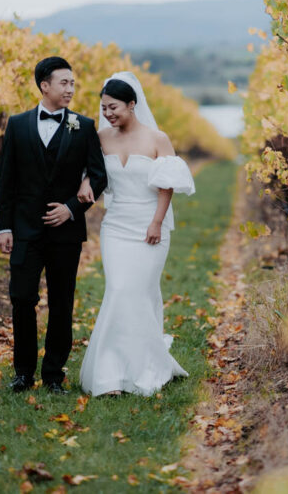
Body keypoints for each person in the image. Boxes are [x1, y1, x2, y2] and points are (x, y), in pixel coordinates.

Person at [76, 71, 195, 396]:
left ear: (132, 104)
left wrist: (156, 222)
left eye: (113, 107)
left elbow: (166, 185)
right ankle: (111, 373)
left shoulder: (157, 139)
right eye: (104, 108)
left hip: (149, 224)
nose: (108, 113)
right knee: (118, 289)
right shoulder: (100, 138)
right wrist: (86, 181)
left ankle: (145, 367)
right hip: (115, 226)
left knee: (139, 292)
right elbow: (93, 173)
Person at [0, 56, 108, 394]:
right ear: (44, 85)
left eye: (73, 83)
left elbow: (99, 176)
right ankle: (23, 372)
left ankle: (54, 374)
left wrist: (72, 208)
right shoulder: (17, 125)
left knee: (62, 302)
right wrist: (4, 227)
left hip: (65, 233)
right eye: (64, 82)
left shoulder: (83, 126)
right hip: (25, 230)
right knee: (22, 299)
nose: (70, 89)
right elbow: (6, 180)